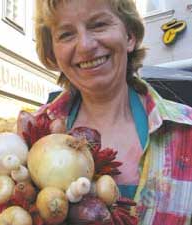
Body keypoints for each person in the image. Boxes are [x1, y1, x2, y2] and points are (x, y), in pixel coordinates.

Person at [27, 0, 192, 224]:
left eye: (99, 25)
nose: (85, 45)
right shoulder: (33, 134)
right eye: (66, 34)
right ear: (53, 53)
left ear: (130, 35)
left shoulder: (186, 130)